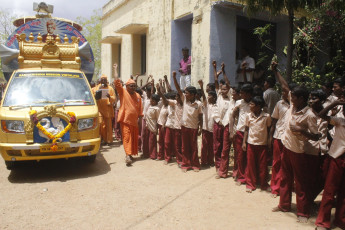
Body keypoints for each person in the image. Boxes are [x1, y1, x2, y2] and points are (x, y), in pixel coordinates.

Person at [271, 62, 320, 223]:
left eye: (293, 97)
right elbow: (285, 86)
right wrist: (276, 70)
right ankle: (284, 205)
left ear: (301, 99)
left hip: (299, 151)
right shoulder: (293, 105)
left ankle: (303, 212)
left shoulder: (310, 115)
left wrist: (301, 131)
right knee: (285, 178)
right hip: (286, 147)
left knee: (300, 182)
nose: (290, 98)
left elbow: (316, 136)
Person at [315, 97, 345, 230]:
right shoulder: (340, 121)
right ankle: (323, 221)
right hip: (337, 158)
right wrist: (335, 103)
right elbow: (321, 115)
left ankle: (341, 220)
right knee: (329, 191)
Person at [113, 64, 143, 166]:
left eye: (134, 86)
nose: (133, 87)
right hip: (125, 120)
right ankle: (127, 155)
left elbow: (140, 109)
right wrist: (115, 69)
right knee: (126, 137)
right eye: (131, 86)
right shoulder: (123, 93)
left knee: (133, 138)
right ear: (127, 86)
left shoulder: (138, 95)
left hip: (134, 121)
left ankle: (131, 154)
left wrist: (140, 119)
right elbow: (117, 82)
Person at [172, 71, 203, 172]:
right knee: (185, 147)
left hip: (194, 128)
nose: (185, 94)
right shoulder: (184, 100)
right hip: (184, 127)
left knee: (194, 147)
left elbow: (201, 117)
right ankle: (186, 164)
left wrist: (200, 128)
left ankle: (195, 165)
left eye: (187, 93)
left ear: (193, 94)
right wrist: (174, 77)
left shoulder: (198, 104)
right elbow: (178, 89)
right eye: (185, 93)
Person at [242, 96, 271, 193]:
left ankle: (263, 184)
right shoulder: (248, 116)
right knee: (251, 165)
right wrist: (244, 142)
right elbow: (246, 129)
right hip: (251, 143)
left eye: (252, 104)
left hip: (262, 144)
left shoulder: (266, 116)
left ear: (258, 106)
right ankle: (250, 184)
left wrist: (269, 142)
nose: (250, 106)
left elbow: (268, 129)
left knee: (263, 165)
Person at [269, 86, 290, 198]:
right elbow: (274, 120)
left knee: (287, 164)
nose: (283, 93)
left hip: (290, 139)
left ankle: (286, 188)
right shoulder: (279, 104)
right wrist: (271, 136)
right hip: (278, 136)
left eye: (285, 92)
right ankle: (276, 188)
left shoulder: (295, 105)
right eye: (282, 91)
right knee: (276, 163)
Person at [232, 84, 253, 185]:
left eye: (243, 93)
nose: (241, 94)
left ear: (248, 94)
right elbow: (233, 115)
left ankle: (250, 176)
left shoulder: (254, 103)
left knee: (250, 156)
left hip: (252, 132)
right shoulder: (239, 103)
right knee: (240, 155)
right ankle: (241, 176)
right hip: (240, 131)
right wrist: (232, 130)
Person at [198, 80, 218, 168]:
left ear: (214, 97)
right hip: (205, 128)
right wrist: (201, 87)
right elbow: (203, 97)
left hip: (213, 129)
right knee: (204, 145)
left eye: (210, 95)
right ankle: (203, 161)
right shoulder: (205, 105)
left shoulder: (217, 106)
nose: (208, 97)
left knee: (211, 146)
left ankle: (210, 160)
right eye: (208, 95)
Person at [94, 75, 116, 145]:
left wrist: (109, 97)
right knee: (100, 124)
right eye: (102, 80)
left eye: (105, 80)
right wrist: (99, 90)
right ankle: (102, 139)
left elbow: (114, 98)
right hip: (100, 109)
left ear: (106, 80)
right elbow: (94, 97)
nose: (103, 81)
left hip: (108, 109)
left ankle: (108, 140)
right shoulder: (97, 87)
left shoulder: (110, 88)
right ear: (100, 80)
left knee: (108, 126)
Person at [145, 94, 161, 160]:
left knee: (152, 142)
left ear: (154, 101)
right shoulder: (150, 107)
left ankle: (153, 154)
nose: (150, 101)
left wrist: (156, 128)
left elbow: (158, 119)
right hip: (148, 125)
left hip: (152, 126)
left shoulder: (157, 109)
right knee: (147, 141)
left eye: (151, 100)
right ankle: (148, 153)